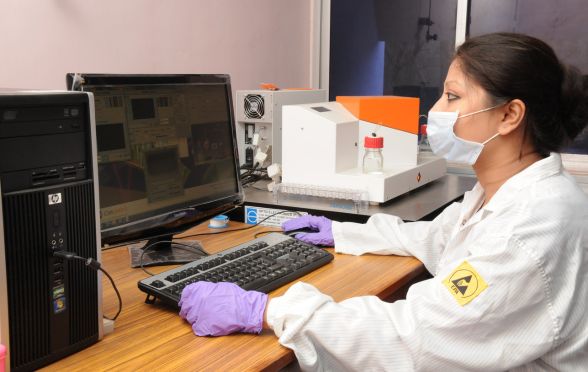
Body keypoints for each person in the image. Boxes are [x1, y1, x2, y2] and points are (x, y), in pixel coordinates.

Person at [179, 33, 588, 371]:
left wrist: (268, 311)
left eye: (452, 96)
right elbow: (442, 238)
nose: (435, 111)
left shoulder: (532, 225)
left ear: (509, 115)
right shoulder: (509, 190)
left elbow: (418, 336)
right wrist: (341, 231)